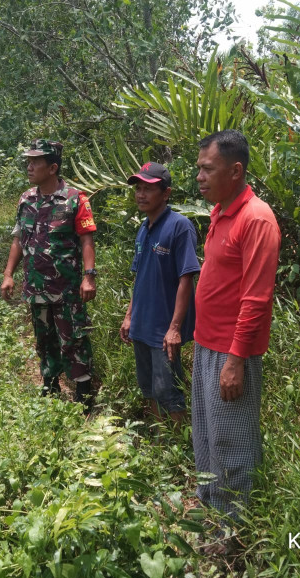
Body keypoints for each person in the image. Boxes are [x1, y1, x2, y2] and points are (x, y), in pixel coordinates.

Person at [191, 130, 281, 536]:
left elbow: (256, 299)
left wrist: (236, 361)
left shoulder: (256, 219)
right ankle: (211, 509)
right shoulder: (221, 211)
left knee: (233, 444)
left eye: (207, 169)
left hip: (231, 353)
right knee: (208, 435)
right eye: (199, 169)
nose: (199, 177)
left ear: (236, 170)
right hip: (207, 344)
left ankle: (235, 531)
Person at [0, 139, 98, 409]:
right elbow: (19, 240)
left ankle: (83, 392)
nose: (29, 166)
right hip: (35, 286)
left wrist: (89, 277)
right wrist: (9, 274)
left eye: (36, 162)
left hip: (67, 288)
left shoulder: (75, 199)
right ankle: (51, 384)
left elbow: (87, 240)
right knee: (44, 339)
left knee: (73, 338)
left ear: (52, 167)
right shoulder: (26, 199)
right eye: (28, 161)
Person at [119, 162, 200, 429]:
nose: (141, 194)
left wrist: (175, 328)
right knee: (148, 388)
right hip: (141, 324)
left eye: (148, 189)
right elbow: (139, 276)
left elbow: (186, 277)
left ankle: (179, 449)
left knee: (169, 390)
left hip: (163, 328)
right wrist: (129, 316)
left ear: (166, 193)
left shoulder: (180, 226)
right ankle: (159, 445)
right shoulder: (144, 228)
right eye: (138, 189)